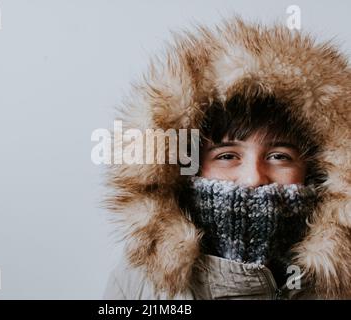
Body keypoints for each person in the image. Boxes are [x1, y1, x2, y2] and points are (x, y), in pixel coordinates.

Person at [103, 19, 351, 299]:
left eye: (279, 156)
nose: (254, 177)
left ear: (314, 168)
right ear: (190, 166)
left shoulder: (342, 282)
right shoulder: (140, 280)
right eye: (228, 156)